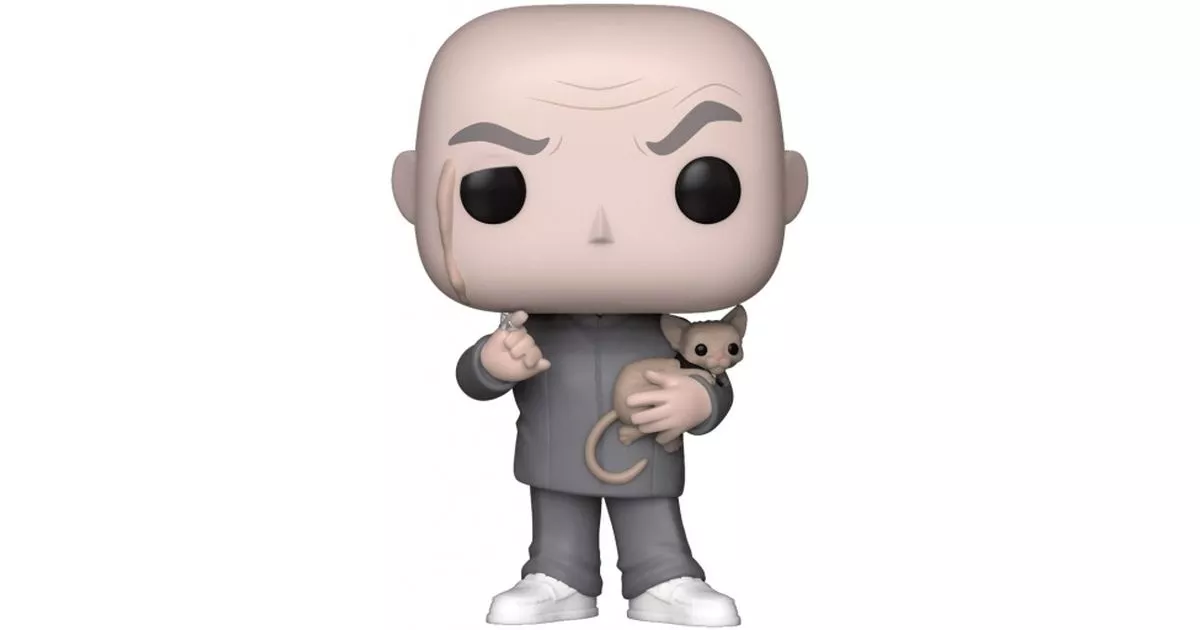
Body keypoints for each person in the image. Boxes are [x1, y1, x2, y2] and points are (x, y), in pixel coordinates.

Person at [390, 4, 808, 625]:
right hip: (553, 447)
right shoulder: (525, 325)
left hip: (648, 448)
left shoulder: (674, 331)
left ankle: (664, 575)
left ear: (786, 190)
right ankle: (558, 576)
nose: (600, 228)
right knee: (557, 515)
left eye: (704, 187)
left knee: (651, 513)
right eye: (498, 189)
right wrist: (491, 363)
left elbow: (711, 378)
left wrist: (700, 401)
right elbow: (471, 380)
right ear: (411, 193)